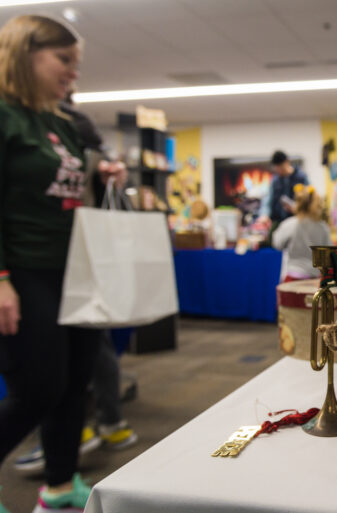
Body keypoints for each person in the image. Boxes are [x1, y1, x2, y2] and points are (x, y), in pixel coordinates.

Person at [0, 15, 126, 511]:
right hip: (24, 269)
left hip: (74, 269)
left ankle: (58, 485)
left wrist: (103, 175)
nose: (74, 73)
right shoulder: (5, 116)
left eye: (77, 63)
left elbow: (74, 191)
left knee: (75, 384)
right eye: (64, 60)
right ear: (24, 53)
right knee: (38, 389)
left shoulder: (64, 121)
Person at [272, 184, 332, 282]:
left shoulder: (290, 224)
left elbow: (277, 244)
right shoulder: (322, 227)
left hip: (293, 275)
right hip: (314, 278)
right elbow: (328, 254)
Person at [258, 150, 309, 228]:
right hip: (278, 222)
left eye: (281, 167)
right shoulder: (275, 181)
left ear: (287, 162)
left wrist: (297, 208)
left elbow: (310, 199)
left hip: (297, 222)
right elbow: (267, 200)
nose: (278, 170)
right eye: (276, 168)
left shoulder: (301, 178)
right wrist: (264, 215)